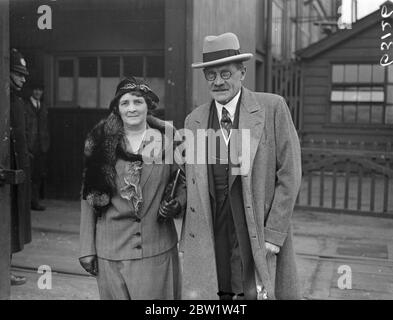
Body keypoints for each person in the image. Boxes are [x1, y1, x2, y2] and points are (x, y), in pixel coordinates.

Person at [181, 33, 302, 300]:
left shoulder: (272, 108)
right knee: (217, 292)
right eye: (211, 76)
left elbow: (290, 174)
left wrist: (274, 233)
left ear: (242, 73)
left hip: (256, 227)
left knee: (257, 292)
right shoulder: (195, 120)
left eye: (225, 73)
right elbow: (189, 178)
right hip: (214, 228)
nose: (218, 81)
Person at [79, 77, 186, 300]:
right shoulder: (101, 143)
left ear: (148, 106)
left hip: (157, 250)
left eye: (138, 102)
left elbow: (183, 181)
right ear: (117, 109)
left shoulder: (169, 139)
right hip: (111, 251)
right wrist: (86, 248)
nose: (132, 108)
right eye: (125, 103)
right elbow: (88, 195)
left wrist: (177, 202)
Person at [9, 48, 32, 285]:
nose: (23, 79)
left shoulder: (15, 98)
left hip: (16, 169)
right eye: (18, 74)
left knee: (11, 220)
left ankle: (5, 269)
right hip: (7, 170)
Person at [25, 83, 50, 211]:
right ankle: (26, 203)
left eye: (40, 90)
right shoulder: (25, 106)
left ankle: (34, 202)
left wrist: (46, 144)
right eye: (35, 89)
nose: (37, 92)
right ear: (31, 90)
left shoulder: (43, 106)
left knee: (37, 175)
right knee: (28, 175)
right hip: (30, 146)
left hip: (41, 147)